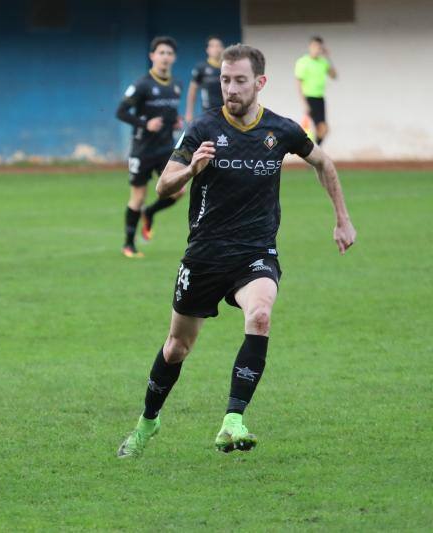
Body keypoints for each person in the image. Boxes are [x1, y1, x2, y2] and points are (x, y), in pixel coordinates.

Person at [117, 44, 356, 458]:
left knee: (260, 314)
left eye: (240, 80)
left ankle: (233, 420)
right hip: (205, 254)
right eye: (226, 80)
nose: (230, 88)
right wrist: (191, 170)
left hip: (255, 251)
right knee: (177, 346)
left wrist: (342, 218)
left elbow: (324, 162)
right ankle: (147, 423)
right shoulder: (202, 129)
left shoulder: (280, 130)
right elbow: (164, 186)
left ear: (260, 83)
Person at [115, 36, 185, 258]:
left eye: (169, 53)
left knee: (179, 191)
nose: (165, 57)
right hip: (142, 150)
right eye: (161, 53)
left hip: (166, 149)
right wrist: (146, 124)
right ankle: (128, 245)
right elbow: (121, 112)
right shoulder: (142, 84)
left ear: (174, 58)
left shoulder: (176, 85)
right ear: (152, 56)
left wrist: (175, 121)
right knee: (138, 197)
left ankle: (150, 212)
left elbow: (170, 112)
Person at [295, 36, 337, 145]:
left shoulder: (323, 62)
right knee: (321, 128)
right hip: (309, 98)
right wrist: (304, 104)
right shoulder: (303, 62)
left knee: (323, 130)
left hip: (320, 98)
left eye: (319, 47)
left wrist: (328, 57)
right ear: (310, 47)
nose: (316, 49)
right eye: (314, 46)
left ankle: (314, 152)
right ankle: (314, 152)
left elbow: (334, 75)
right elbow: (298, 84)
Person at [185, 36, 224, 123]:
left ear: (222, 48)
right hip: (208, 112)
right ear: (207, 50)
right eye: (212, 46)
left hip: (226, 112)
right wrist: (189, 113)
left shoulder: (227, 68)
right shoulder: (201, 68)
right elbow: (192, 91)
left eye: (218, 46)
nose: (216, 49)